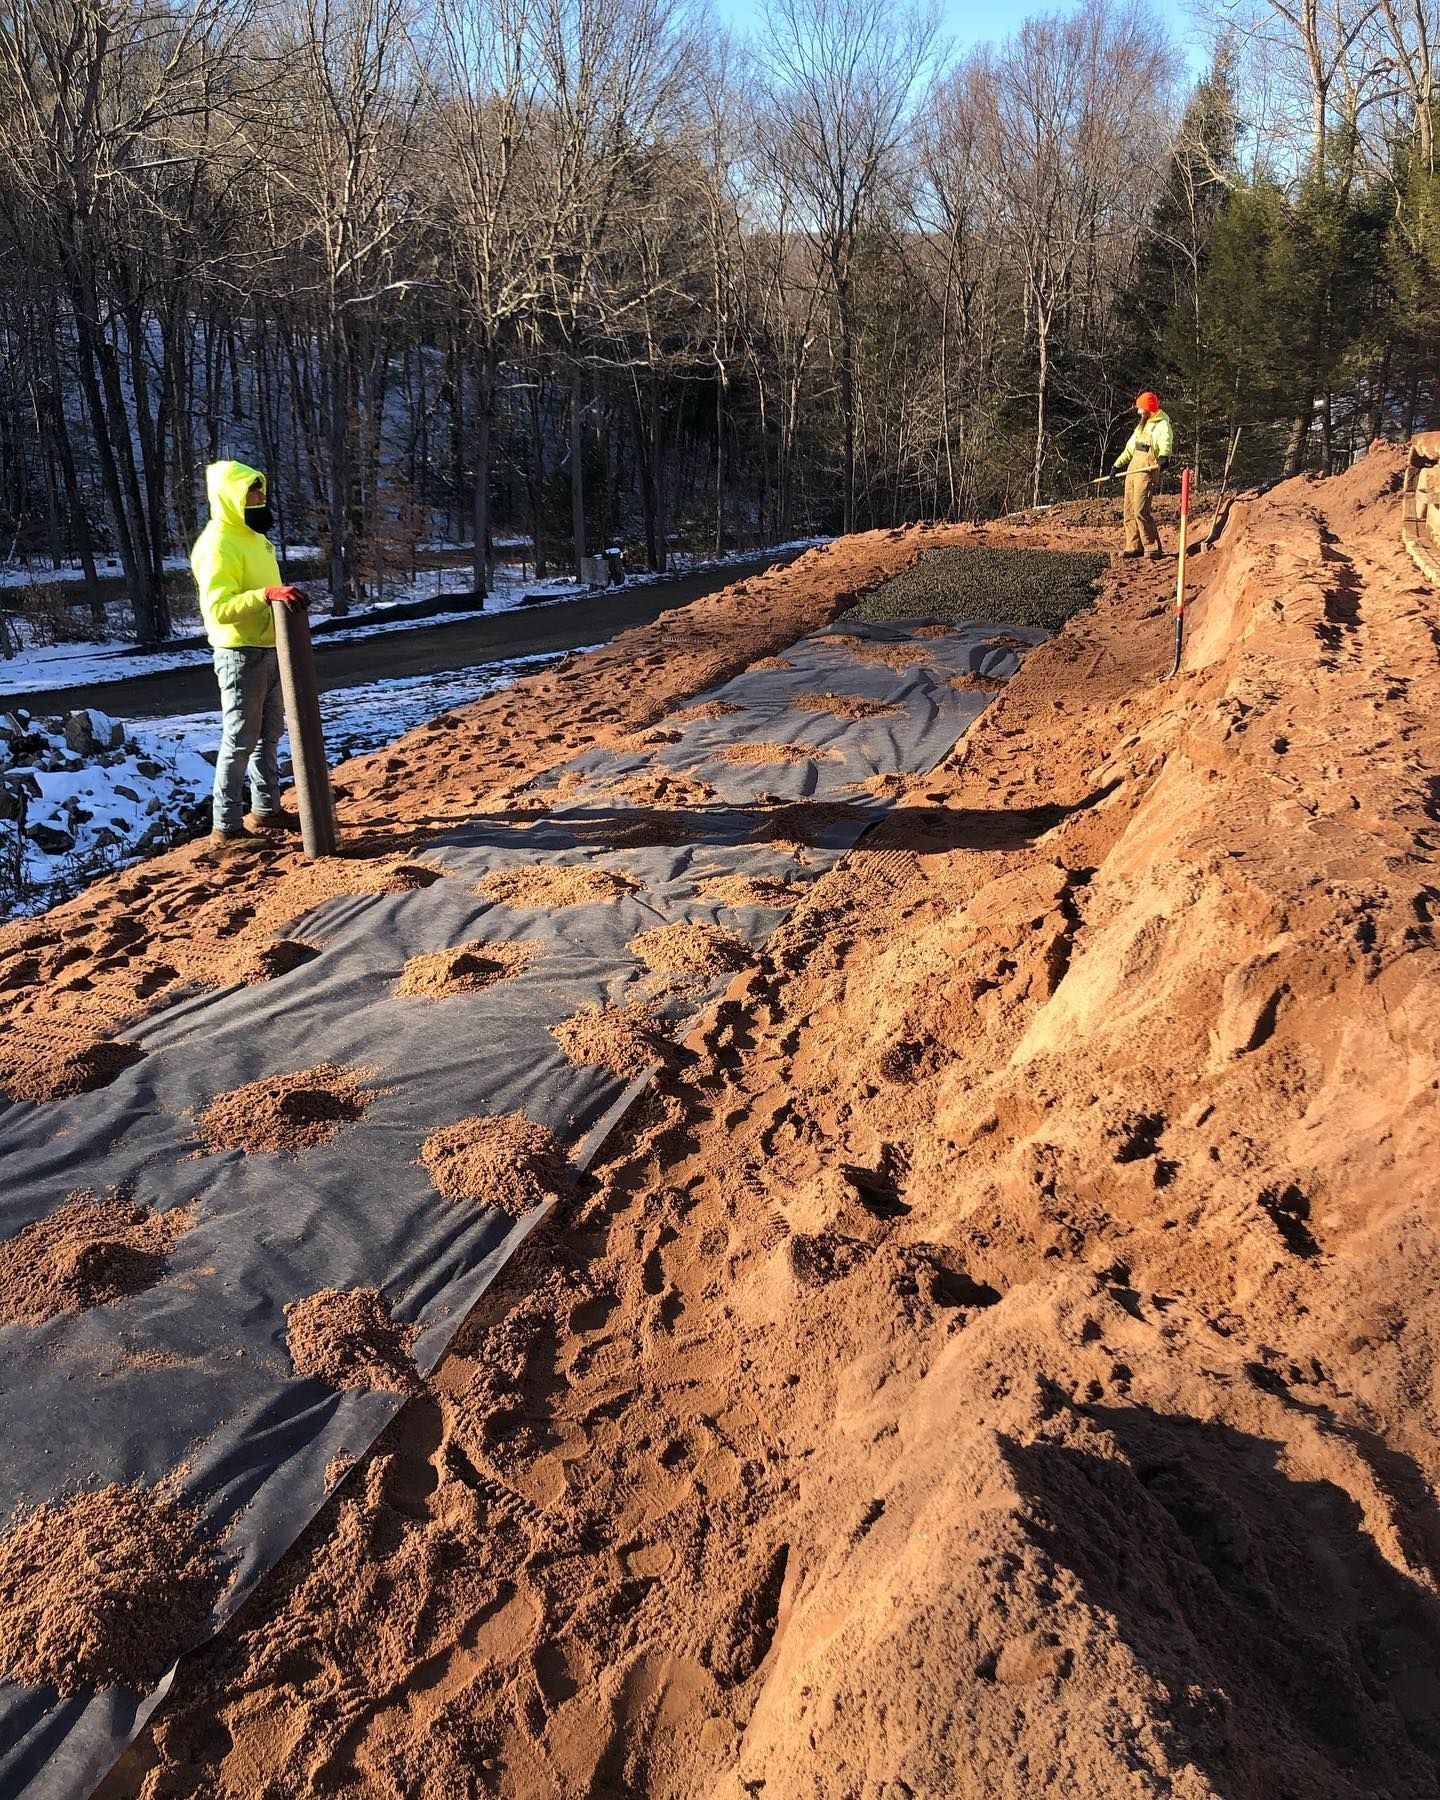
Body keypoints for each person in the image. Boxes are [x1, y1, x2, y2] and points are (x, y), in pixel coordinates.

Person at [190, 460, 308, 850]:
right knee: (240, 738)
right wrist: (265, 596)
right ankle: (225, 828)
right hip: (240, 653)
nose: (260, 498)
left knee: (269, 734)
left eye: (260, 491)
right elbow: (218, 609)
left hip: (273, 646)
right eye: (251, 493)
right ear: (231, 497)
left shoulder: (255, 538)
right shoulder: (217, 543)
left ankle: (267, 810)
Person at [1112, 391, 1174, 561]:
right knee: (1129, 511)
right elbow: (1129, 448)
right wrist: (1117, 465)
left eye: (1140, 408)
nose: (1138, 412)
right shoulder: (1141, 426)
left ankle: (1151, 546)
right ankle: (1133, 546)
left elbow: (1165, 442)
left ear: (1149, 408)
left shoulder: (1161, 425)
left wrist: (1164, 456)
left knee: (1141, 510)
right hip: (1132, 471)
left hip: (1146, 472)